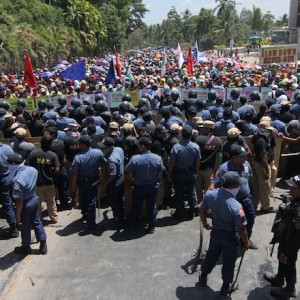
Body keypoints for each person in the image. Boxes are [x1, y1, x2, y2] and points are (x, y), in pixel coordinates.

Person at [199, 171, 250, 296]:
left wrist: (205, 224)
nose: (239, 187)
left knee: (211, 254)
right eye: (238, 185)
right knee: (229, 261)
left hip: (216, 233)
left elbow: (201, 208)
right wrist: (246, 242)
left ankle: (203, 276)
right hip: (230, 236)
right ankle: (225, 286)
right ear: (232, 186)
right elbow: (242, 228)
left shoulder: (210, 195)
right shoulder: (236, 206)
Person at [209, 144, 257, 248]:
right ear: (234, 157)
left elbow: (250, 179)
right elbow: (215, 182)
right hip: (232, 202)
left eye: (245, 155)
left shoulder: (246, 165)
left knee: (250, 218)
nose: (245, 157)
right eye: (242, 156)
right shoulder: (224, 169)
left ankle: (245, 240)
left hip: (246, 199)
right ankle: (229, 243)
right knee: (231, 224)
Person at [264, 175, 300, 299]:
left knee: (289, 262)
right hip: (285, 238)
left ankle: (290, 289)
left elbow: (296, 237)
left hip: (291, 243)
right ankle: (279, 278)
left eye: (294, 188)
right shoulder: (295, 199)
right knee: (281, 257)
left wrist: (286, 252)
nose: (290, 190)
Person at [9, 153, 48, 255]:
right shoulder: (32, 170)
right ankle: (43, 244)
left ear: (13, 165)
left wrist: (17, 215)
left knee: (25, 226)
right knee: (37, 222)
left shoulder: (17, 181)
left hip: (25, 204)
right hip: (34, 199)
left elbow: (19, 201)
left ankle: (26, 247)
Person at [126, 136, 164, 233]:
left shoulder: (135, 158)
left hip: (139, 186)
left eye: (138, 145)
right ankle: (151, 226)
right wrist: (157, 180)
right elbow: (160, 171)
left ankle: (131, 223)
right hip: (152, 185)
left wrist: (131, 182)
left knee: (136, 205)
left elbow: (129, 173)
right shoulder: (157, 158)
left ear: (142, 146)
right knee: (151, 206)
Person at [70, 135, 105, 231]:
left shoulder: (78, 157)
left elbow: (74, 174)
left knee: (85, 201)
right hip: (93, 181)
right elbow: (104, 163)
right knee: (91, 202)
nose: (78, 145)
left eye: (79, 144)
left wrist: (73, 186)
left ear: (83, 145)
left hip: (82, 183)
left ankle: (89, 222)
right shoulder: (98, 153)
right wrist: (99, 168)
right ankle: (89, 220)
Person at [168, 125, 201, 220]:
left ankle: (179, 211)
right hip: (191, 171)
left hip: (179, 172)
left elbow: (172, 163)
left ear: (181, 135)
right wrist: (196, 171)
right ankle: (192, 211)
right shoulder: (195, 146)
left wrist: (169, 173)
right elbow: (198, 161)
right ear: (191, 135)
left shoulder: (176, 147)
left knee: (179, 192)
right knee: (191, 192)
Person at [26, 135, 60, 223]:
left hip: (37, 183)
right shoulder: (53, 155)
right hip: (49, 182)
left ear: (41, 143)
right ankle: (54, 217)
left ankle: (38, 218)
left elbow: (27, 165)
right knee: (51, 201)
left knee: (37, 202)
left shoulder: (33, 153)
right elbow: (57, 169)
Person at [99, 137, 125, 224]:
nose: (102, 149)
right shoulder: (119, 149)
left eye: (104, 148)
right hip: (121, 177)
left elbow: (112, 175)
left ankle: (118, 219)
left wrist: (105, 184)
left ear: (109, 147)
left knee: (114, 201)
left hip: (115, 182)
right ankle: (121, 214)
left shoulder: (111, 160)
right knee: (120, 200)